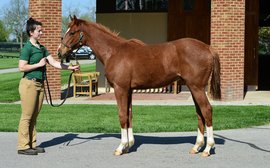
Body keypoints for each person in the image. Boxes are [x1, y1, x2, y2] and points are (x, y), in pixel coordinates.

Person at [17, 17, 79, 155]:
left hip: (39, 85)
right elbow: (21, 67)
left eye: (42, 30)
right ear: (31, 32)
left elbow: (55, 63)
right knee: (27, 116)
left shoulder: (42, 48)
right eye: (39, 31)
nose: (42, 33)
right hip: (29, 84)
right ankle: (22, 146)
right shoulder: (27, 48)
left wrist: (70, 67)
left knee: (34, 116)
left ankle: (32, 144)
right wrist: (38, 65)